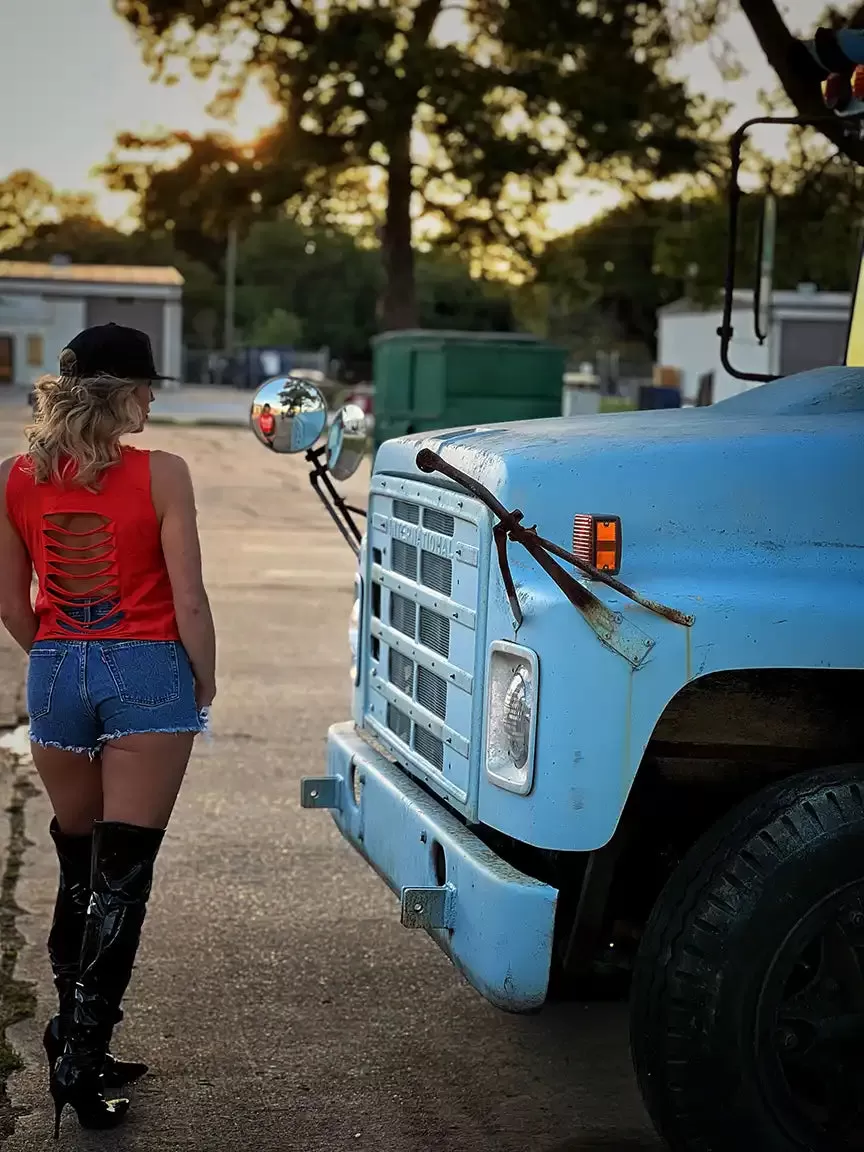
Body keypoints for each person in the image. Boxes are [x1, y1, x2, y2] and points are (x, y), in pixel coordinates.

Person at [0, 323, 217, 1139]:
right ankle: (81, 1068)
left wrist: (61, 657)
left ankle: (71, 1036)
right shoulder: (164, 474)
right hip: (147, 673)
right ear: (118, 392)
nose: (154, 397)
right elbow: (189, 600)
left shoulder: (11, 478)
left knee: (77, 867)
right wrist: (203, 675)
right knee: (122, 879)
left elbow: (13, 602)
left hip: (54, 672)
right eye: (146, 385)